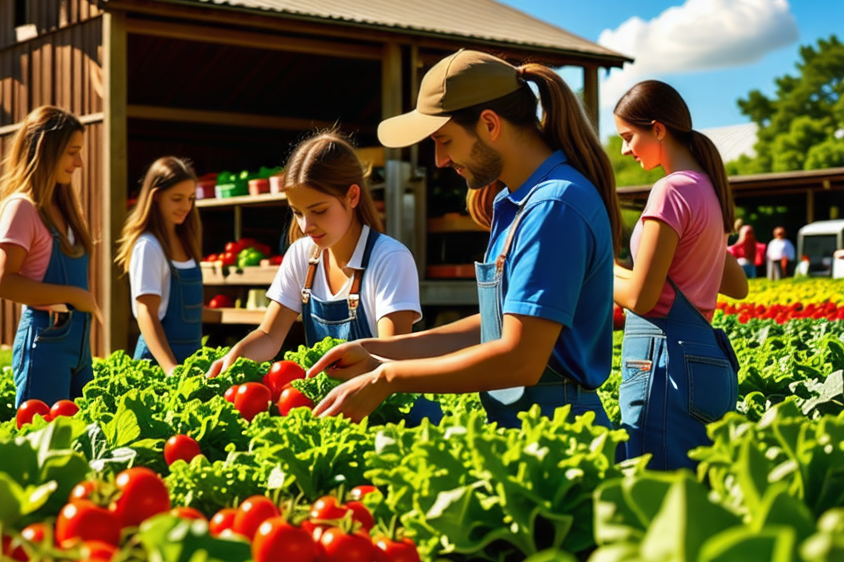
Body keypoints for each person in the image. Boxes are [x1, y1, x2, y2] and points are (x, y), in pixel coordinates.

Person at [305, 50, 620, 429]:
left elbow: (520, 358)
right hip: (528, 426)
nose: (439, 160)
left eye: (444, 140)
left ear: (489, 124)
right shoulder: (517, 201)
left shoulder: (554, 207)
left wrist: (388, 377)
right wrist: (377, 350)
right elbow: (497, 325)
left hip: (560, 433)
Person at [205, 133, 433, 417]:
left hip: (389, 410)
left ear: (352, 196)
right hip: (333, 407)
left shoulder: (390, 259)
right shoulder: (302, 255)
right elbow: (268, 336)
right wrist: (232, 360)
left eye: (319, 210)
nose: (306, 225)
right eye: (297, 212)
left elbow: (391, 358)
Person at [610, 80, 748, 470]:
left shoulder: (669, 191)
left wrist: (596, 267)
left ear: (657, 129)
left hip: (666, 365)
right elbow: (738, 286)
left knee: (657, 497)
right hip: (707, 366)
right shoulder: (707, 189)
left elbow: (641, 298)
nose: (624, 149)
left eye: (628, 136)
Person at [0, 106, 100, 406]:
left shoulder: (63, 208)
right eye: (72, 152)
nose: (79, 162)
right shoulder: (21, 208)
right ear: (45, 150)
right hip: (45, 342)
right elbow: (1, 283)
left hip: (78, 346)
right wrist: (74, 295)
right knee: (42, 438)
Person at [118, 157, 204, 373]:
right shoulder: (149, 246)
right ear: (156, 197)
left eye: (191, 199)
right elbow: (147, 313)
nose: (185, 206)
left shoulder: (186, 241)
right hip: (158, 366)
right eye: (177, 199)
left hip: (189, 364)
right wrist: (170, 368)